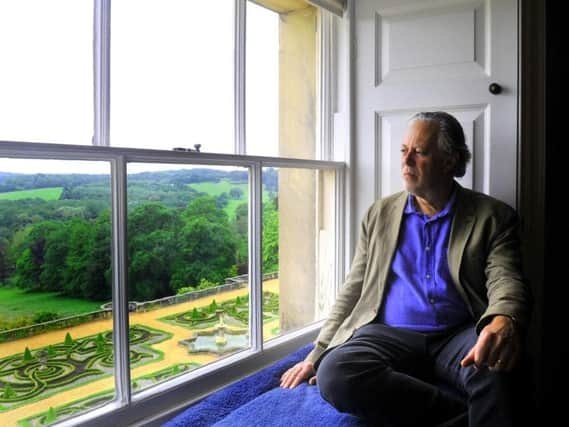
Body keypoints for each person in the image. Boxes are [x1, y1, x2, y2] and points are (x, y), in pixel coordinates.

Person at [279, 112, 532, 427]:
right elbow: (354, 289)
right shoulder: (380, 214)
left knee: (499, 367)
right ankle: (458, 414)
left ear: (450, 161)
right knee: (336, 373)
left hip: (457, 333)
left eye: (420, 152)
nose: (406, 161)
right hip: (388, 332)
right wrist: (316, 355)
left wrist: (503, 321)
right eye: (403, 150)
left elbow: (506, 279)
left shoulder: (492, 216)